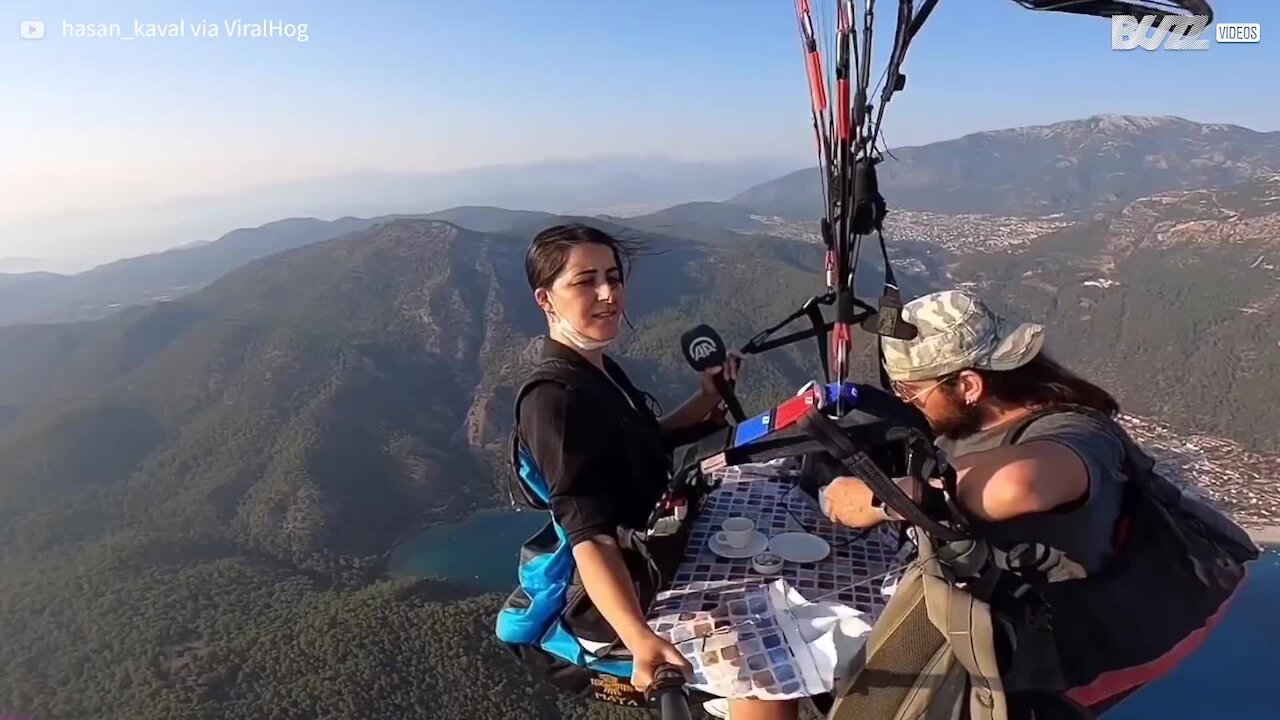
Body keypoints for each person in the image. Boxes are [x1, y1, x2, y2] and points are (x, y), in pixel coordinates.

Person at [513, 224, 796, 720]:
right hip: (618, 595)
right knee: (763, 671)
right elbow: (590, 534)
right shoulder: (553, 400)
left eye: (614, 278)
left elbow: (639, 444)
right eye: (585, 281)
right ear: (545, 298)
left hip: (656, 555)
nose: (608, 294)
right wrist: (640, 640)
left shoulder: (594, 369)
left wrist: (705, 399)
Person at [819, 288, 1126, 577]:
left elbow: (1016, 483)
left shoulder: (1078, 430)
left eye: (910, 390)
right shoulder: (970, 419)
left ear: (968, 386)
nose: (903, 399)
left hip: (1059, 621)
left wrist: (887, 497)